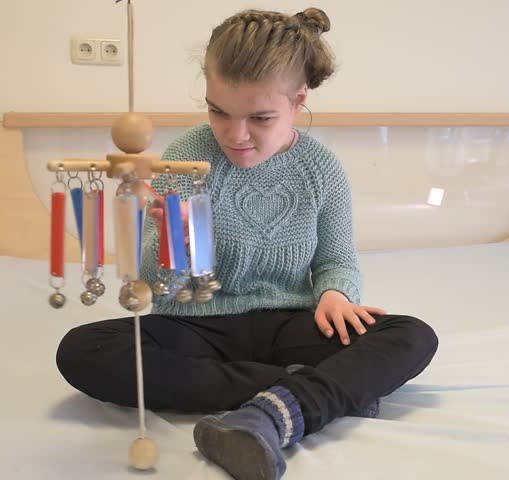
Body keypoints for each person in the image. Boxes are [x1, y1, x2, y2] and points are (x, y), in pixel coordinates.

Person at [56, 7, 438, 480]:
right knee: (82, 350)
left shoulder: (321, 170)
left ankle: (276, 406)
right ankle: (311, 393)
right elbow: (157, 282)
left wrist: (335, 294)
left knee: (411, 336)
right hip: (196, 328)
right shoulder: (185, 158)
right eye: (219, 111)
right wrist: (178, 244)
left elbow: (337, 260)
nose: (235, 134)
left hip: (287, 324)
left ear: (298, 101)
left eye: (260, 117)